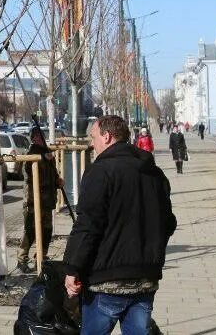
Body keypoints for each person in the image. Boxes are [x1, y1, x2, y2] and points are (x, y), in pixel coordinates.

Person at [63, 115, 175, 335]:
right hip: (145, 279)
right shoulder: (153, 172)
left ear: (106, 136)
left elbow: (88, 225)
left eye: (93, 137)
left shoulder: (100, 172)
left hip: (106, 282)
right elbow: (168, 222)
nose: (91, 143)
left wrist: (72, 268)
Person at [16, 126, 63, 273]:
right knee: (30, 230)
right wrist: (43, 157)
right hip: (33, 200)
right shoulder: (31, 154)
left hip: (48, 199)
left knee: (47, 230)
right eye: (36, 137)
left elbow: (53, 174)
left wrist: (58, 181)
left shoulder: (48, 154)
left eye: (40, 136)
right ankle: (21, 258)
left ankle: (41, 257)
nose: (39, 139)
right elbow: (30, 171)